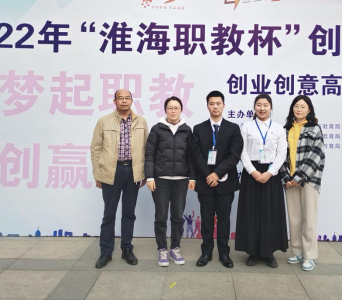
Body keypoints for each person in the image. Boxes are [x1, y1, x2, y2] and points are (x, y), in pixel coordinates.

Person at [90, 89, 149, 269]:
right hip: (111, 171)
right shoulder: (104, 121)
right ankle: (105, 252)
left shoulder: (141, 121)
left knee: (129, 213)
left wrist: (144, 173)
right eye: (120, 98)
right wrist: (98, 174)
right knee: (109, 214)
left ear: (132, 100)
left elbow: (146, 148)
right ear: (114, 101)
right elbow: (95, 149)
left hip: (132, 171)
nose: (124, 101)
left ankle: (127, 249)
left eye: (127, 98)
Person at [191, 91, 244, 268]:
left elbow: (234, 155)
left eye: (218, 103)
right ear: (207, 105)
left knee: (224, 220)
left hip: (226, 183)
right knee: (206, 220)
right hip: (205, 182)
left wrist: (217, 174)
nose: (215, 106)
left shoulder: (233, 128)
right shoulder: (198, 129)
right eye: (212, 103)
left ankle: (224, 253)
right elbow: (196, 155)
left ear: (223, 105)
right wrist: (208, 175)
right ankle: (206, 252)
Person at [235, 94, 288, 268]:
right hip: (252, 173)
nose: (262, 108)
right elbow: (242, 151)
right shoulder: (246, 127)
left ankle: (268, 252)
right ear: (254, 107)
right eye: (259, 105)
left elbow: (282, 153)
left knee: (270, 213)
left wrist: (270, 172)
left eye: (265, 105)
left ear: (271, 107)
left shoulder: (278, 128)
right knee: (251, 213)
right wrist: (253, 172)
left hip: (271, 174)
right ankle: (252, 252)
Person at [145, 96, 195, 267]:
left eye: (176, 108)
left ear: (181, 110)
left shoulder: (187, 130)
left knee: (177, 216)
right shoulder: (157, 129)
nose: (173, 111)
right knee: (160, 216)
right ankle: (162, 249)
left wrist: (192, 177)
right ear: (165, 110)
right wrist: (150, 177)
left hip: (181, 180)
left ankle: (175, 248)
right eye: (170, 108)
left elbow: (191, 156)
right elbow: (149, 154)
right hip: (161, 180)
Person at [280, 95, 326, 272]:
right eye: (296, 106)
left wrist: (299, 177)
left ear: (309, 110)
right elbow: (281, 155)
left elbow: (317, 154)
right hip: (290, 181)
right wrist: (286, 177)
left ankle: (309, 256)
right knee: (295, 219)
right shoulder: (286, 129)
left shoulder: (314, 129)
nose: (299, 109)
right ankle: (297, 252)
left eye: (303, 107)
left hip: (309, 181)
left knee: (309, 219)